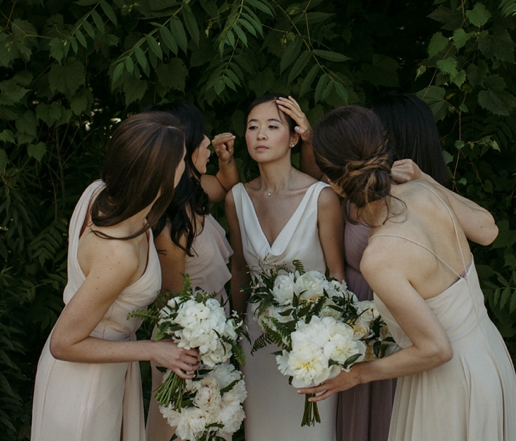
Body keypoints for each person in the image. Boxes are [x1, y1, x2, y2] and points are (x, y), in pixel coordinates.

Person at [297, 106, 516, 440]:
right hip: (491, 358)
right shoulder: (424, 192)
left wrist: (358, 375)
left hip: (448, 383)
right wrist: (426, 178)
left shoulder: (379, 257)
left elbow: (436, 349)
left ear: (334, 183)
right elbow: (487, 230)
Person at [31, 112, 197, 441]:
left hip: (104, 373)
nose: (186, 165)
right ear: (160, 175)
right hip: (85, 387)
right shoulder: (118, 254)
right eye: (181, 158)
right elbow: (63, 343)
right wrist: (154, 350)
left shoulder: (100, 194)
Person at [224, 94, 346, 440]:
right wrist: (235, 333)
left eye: (272, 126)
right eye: (253, 127)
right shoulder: (237, 198)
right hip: (256, 343)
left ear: (294, 138)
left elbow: (337, 276)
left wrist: (331, 345)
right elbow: (239, 269)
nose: (260, 134)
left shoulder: (321, 197)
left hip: (313, 343)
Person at [139, 103, 239, 441]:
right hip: (185, 344)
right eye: (201, 137)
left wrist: (226, 159)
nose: (208, 141)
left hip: (212, 331)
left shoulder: (194, 194)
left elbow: (227, 186)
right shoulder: (171, 226)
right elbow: (171, 303)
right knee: (182, 429)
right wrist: (191, 352)